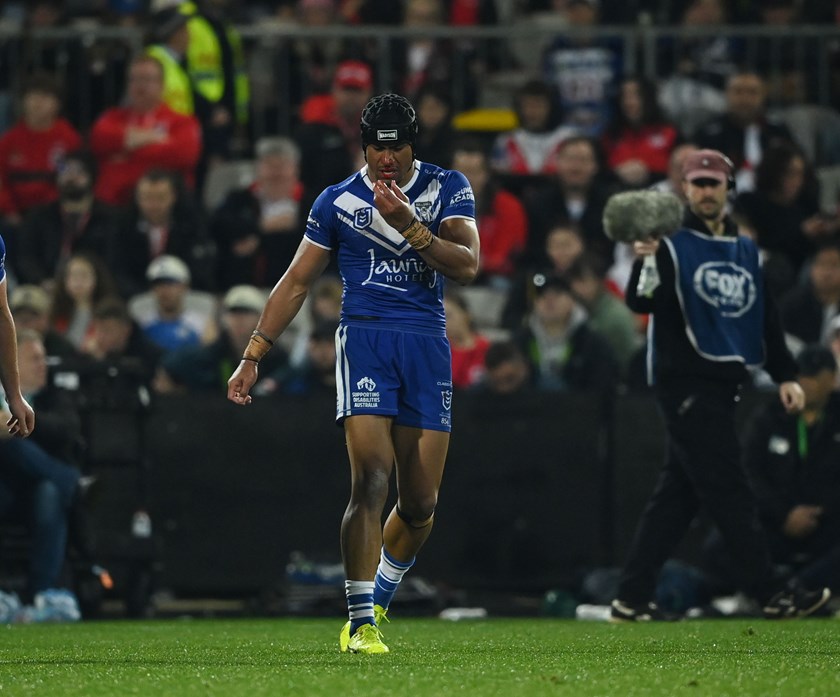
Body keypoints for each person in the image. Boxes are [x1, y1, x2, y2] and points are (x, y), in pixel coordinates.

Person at [226, 93, 480, 654]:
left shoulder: (447, 187)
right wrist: (253, 354)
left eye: (394, 148)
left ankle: (379, 603)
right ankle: (360, 622)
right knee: (369, 478)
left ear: (413, 144)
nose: (384, 159)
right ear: (361, 144)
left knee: (419, 506)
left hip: (426, 343)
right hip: (365, 339)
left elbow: (467, 265)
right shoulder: (337, 200)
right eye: (374, 148)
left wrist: (411, 227)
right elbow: (295, 282)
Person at [610, 148, 831, 622]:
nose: (706, 191)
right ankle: (772, 590)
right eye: (698, 183)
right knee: (729, 489)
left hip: (723, 383)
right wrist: (644, 259)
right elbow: (641, 300)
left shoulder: (745, 248)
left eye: (714, 183)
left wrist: (786, 374)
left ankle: (631, 594)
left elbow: (765, 318)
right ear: (685, 189)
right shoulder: (669, 242)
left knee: (678, 497)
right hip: (685, 384)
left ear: (729, 189)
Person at [703, 345, 840, 600]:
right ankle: (778, 591)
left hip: (828, 523)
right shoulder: (771, 415)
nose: (806, 384)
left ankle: (796, 588)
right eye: (801, 376)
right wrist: (784, 513)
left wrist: (821, 511)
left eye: (813, 377)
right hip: (778, 522)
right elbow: (749, 471)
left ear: (831, 379)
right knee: (720, 544)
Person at [0, 329, 83, 622]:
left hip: (37, 493)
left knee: (49, 491)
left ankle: (42, 593)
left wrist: (19, 420)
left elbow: (67, 429)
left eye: (43, 358)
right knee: (12, 448)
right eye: (34, 359)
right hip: (4, 488)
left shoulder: (53, 395)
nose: (43, 364)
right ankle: (72, 482)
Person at [89, 54, 202, 207]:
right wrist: (154, 139)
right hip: (112, 206)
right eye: (134, 79)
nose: (140, 86)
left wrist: (125, 150)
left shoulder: (183, 121)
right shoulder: (111, 118)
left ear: (161, 85)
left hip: (164, 207)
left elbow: (183, 155)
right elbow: (98, 139)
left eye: (147, 79)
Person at [16, 150, 117, 287]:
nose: (71, 177)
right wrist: (41, 281)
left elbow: (115, 261)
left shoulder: (109, 218)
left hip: (95, 289)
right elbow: (26, 258)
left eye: (79, 171)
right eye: (65, 170)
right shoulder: (39, 216)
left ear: (91, 176)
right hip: (46, 287)